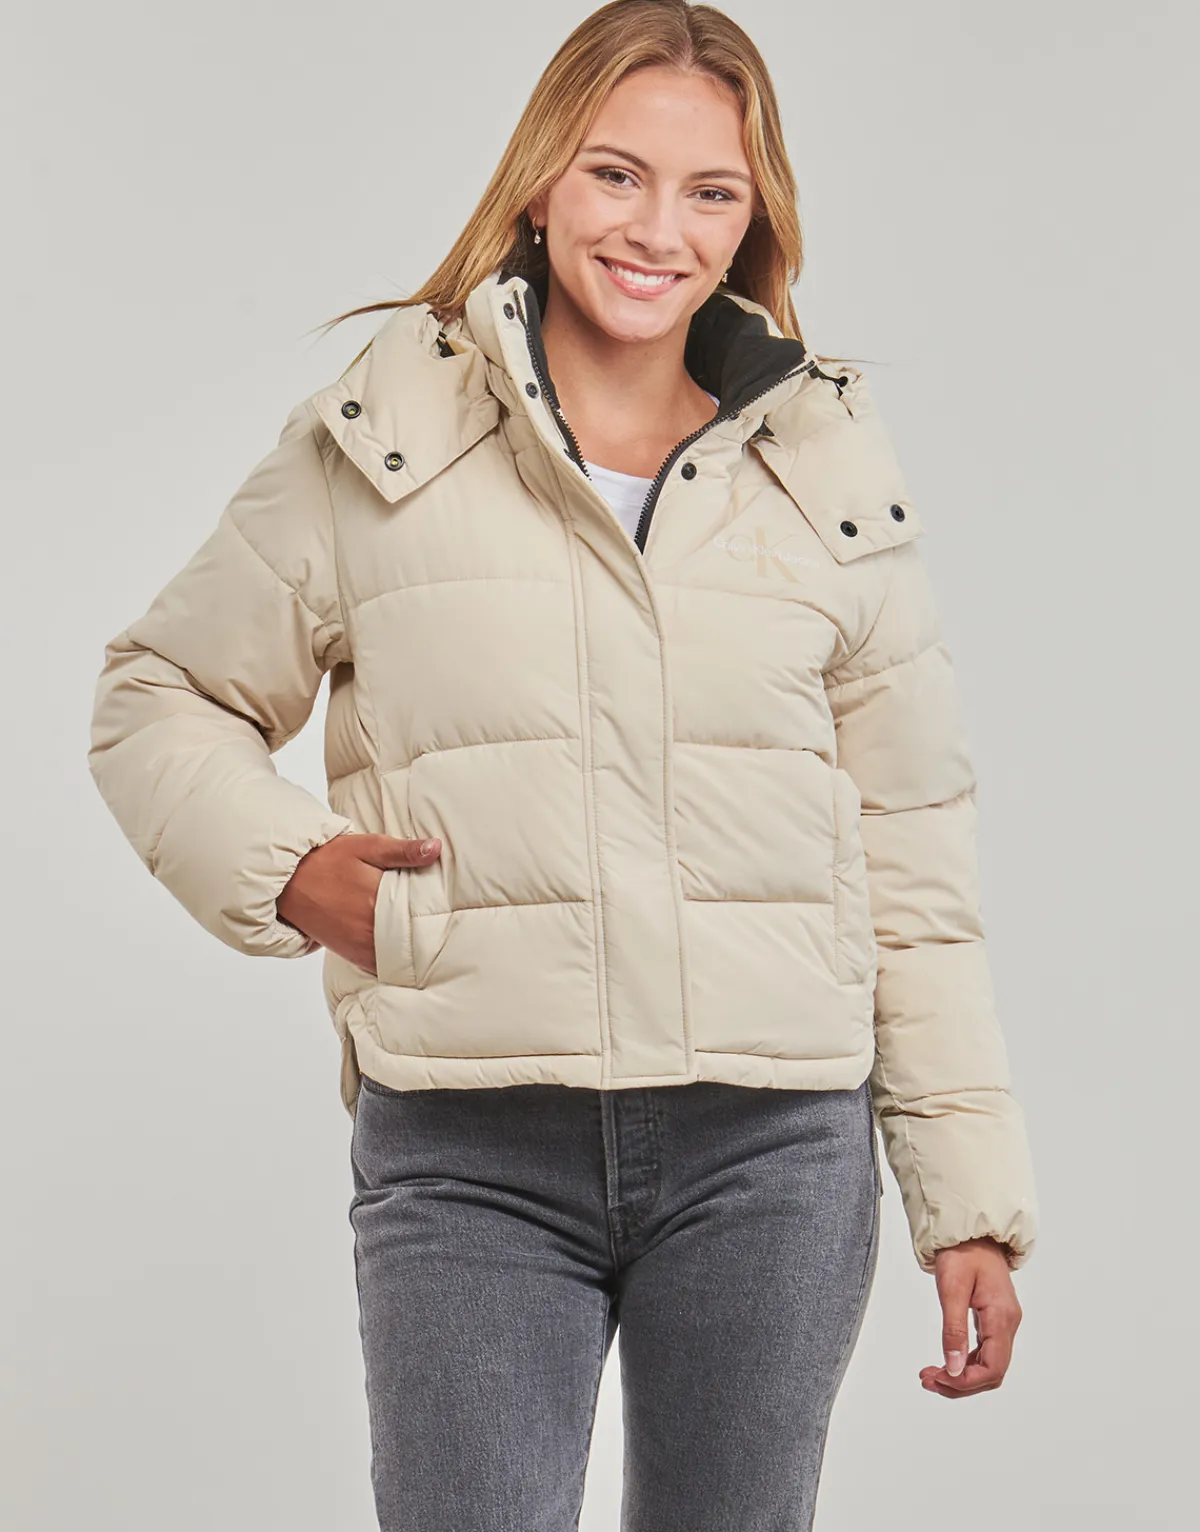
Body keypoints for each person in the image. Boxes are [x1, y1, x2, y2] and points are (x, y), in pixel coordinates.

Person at [87, 2, 1038, 1527]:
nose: (658, 230)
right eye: (615, 174)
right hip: (469, 1142)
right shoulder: (384, 439)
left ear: (751, 222)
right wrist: (289, 868)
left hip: (773, 1148)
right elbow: (160, 692)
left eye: (709, 192)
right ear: (541, 179)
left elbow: (912, 849)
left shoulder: (823, 470)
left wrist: (966, 1199)